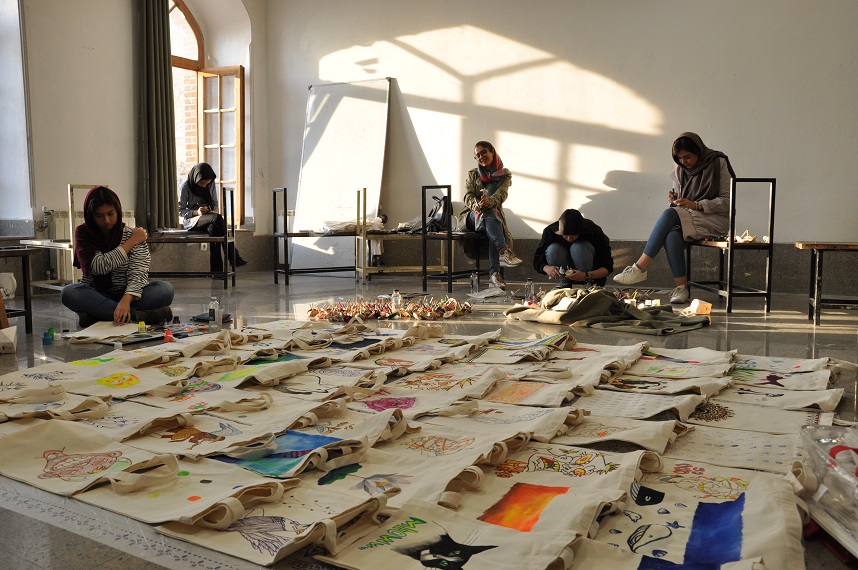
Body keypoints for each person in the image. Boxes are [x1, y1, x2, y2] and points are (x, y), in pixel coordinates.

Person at [613, 132, 735, 303]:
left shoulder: (717, 163)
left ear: (699, 151)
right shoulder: (679, 169)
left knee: (669, 214)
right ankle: (681, 288)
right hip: (690, 217)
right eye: (679, 158)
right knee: (671, 235)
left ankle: (640, 267)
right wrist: (674, 200)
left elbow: (728, 201)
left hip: (715, 219)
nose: (683, 162)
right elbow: (681, 203)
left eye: (687, 157)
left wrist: (697, 205)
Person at [61, 186, 174, 327]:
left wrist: (126, 300)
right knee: (69, 293)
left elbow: (139, 272)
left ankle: (98, 315)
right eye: (99, 216)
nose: (107, 220)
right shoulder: (84, 233)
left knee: (165, 290)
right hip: (98, 294)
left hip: (131, 295)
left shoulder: (130, 233)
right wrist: (131, 242)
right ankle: (139, 315)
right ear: (91, 216)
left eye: (110, 214)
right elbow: (98, 266)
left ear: (118, 211)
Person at [463, 141, 523, 290]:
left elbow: (502, 194)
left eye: (483, 152)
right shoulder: (473, 174)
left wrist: (489, 202)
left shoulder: (505, 175)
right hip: (472, 215)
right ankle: (503, 253)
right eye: (477, 155)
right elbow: (468, 195)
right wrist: (477, 205)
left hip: (491, 214)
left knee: (491, 220)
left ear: (492, 151)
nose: (481, 157)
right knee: (490, 216)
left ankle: (495, 275)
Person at [178, 163, 247, 273]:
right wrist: (196, 212)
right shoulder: (185, 187)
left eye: (207, 184)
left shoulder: (210, 184)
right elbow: (180, 211)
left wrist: (214, 210)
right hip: (192, 221)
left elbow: (215, 203)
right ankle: (233, 256)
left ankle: (217, 271)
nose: (204, 186)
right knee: (217, 219)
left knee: (214, 229)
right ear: (196, 178)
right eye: (201, 183)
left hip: (210, 218)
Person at [533, 209, 613, 288]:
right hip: (564, 270)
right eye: (565, 235)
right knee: (553, 249)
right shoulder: (550, 232)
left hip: (589, 275)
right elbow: (537, 260)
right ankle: (564, 283)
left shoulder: (593, 231)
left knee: (578, 247)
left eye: (573, 235)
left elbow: (607, 267)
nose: (569, 239)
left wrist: (586, 275)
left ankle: (588, 284)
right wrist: (546, 268)